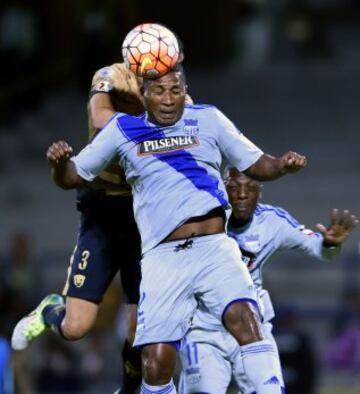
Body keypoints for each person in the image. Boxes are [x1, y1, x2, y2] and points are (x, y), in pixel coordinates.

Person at [41, 65, 306, 394]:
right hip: (162, 257)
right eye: (159, 91)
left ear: (186, 91)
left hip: (214, 247)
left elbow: (254, 163)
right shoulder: (123, 131)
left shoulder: (208, 119)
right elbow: (73, 177)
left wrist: (280, 165)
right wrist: (59, 165)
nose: (168, 99)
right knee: (156, 360)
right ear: (145, 96)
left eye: (176, 91)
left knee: (246, 319)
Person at [11, 62, 144, 393]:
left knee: (141, 328)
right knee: (76, 327)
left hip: (146, 217)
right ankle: (50, 310)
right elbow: (100, 118)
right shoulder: (109, 76)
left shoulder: (172, 93)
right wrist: (151, 130)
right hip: (104, 212)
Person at [178, 169, 358, 394]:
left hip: (254, 329)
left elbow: (318, 249)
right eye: (234, 188)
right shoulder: (198, 220)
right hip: (205, 331)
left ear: (260, 192)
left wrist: (331, 244)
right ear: (222, 190)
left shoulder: (272, 220)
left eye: (250, 187)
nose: (242, 194)